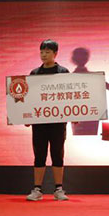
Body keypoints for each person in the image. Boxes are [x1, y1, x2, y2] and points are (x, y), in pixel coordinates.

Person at [26, 40, 70, 201]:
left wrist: (74, 115)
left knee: (57, 154)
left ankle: (59, 189)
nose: (44, 55)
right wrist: (25, 116)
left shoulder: (63, 72)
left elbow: (71, 96)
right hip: (39, 123)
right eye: (42, 52)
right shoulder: (34, 73)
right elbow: (29, 97)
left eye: (47, 52)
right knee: (39, 154)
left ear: (55, 54)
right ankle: (37, 189)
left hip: (58, 122)